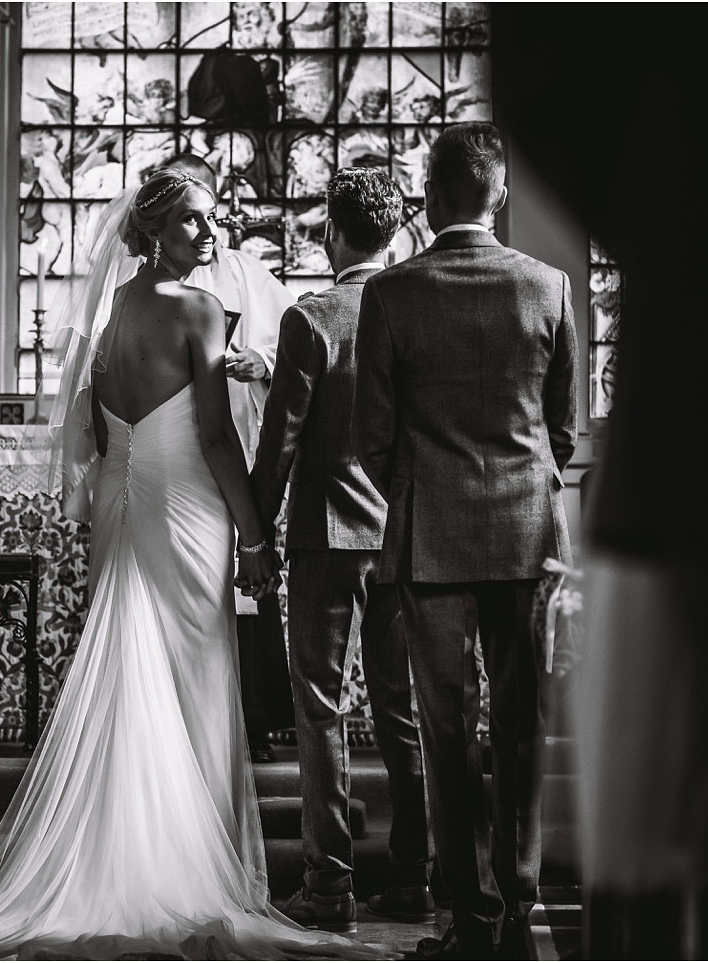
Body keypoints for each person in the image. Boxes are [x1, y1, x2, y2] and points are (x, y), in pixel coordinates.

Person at [0, 170, 377, 961]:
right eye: (194, 222)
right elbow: (220, 439)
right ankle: (191, 868)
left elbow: (98, 413)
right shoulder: (196, 308)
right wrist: (256, 536)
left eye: (214, 220)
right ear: (154, 230)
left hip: (128, 497)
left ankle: (129, 852)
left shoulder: (117, 308)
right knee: (192, 675)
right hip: (186, 503)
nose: (212, 234)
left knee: (135, 666)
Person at [352, 121, 578, 960]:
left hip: (429, 535)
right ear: (500, 196)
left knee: (447, 729)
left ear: (431, 195)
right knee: (521, 722)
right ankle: (523, 904)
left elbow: (372, 435)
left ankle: (471, 917)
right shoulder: (548, 286)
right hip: (524, 532)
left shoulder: (393, 292)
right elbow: (563, 428)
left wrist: (422, 484)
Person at [250, 168, 435, 934]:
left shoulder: (312, 317)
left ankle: (331, 886)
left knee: (320, 709)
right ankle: (414, 874)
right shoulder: (420, 310)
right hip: (403, 534)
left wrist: (254, 532)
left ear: (332, 230)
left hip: (328, 536)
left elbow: (281, 443)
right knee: (401, 708)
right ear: (392, 233)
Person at [163, 150, 296, 764]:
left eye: (209, 208)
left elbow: (291, 335)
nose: (205, 228)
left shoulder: (246, 272)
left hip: (234, 432)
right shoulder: (149, 284)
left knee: (245, 576)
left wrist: (259, 363)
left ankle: (255, 719)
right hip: (175, 450)